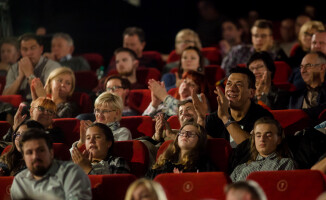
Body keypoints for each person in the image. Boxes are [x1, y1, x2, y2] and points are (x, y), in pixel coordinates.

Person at [10, 128, 92, 200]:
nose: (35, 156)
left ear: (51, 152)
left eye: (41, 150)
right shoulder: (20, 180)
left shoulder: (71, 173)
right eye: (29, 152)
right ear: (24, 157)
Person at [205, 67, 273, 148]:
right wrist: (200, 118)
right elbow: (205, 150)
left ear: (251, 93)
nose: (232, 89)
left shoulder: (263, 118)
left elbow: (253, 148)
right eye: (229, 83)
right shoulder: (214, 118)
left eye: (239, 84)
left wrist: (226, 119)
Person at [230, 117, 295, 182]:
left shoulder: (286, 163)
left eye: (268, 135)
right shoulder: (241, 167)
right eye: (258, 136)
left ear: (279, 139)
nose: (262, 139)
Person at [146, 121, 216, 179]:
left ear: (200, 141)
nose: (185, 135)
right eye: (182, 132)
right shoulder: (165, 161)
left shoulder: (204, 164)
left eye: (191, 134)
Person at [3, 33, 61, 101]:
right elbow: (4, 97)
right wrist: (20, 78)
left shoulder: (52, 66)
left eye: (33, 48)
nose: (28, 53)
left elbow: (46, 99)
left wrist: (29, 74)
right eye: (24, 49)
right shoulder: (14, 68)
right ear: (20, 51)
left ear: (41, 49)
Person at [221, 19, 288, 75]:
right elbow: (223, 72)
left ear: (271, 38)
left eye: (263, 36)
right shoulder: (237, 51)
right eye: (256, 36)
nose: (259, 39)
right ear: (252, 38)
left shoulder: (277, 56)